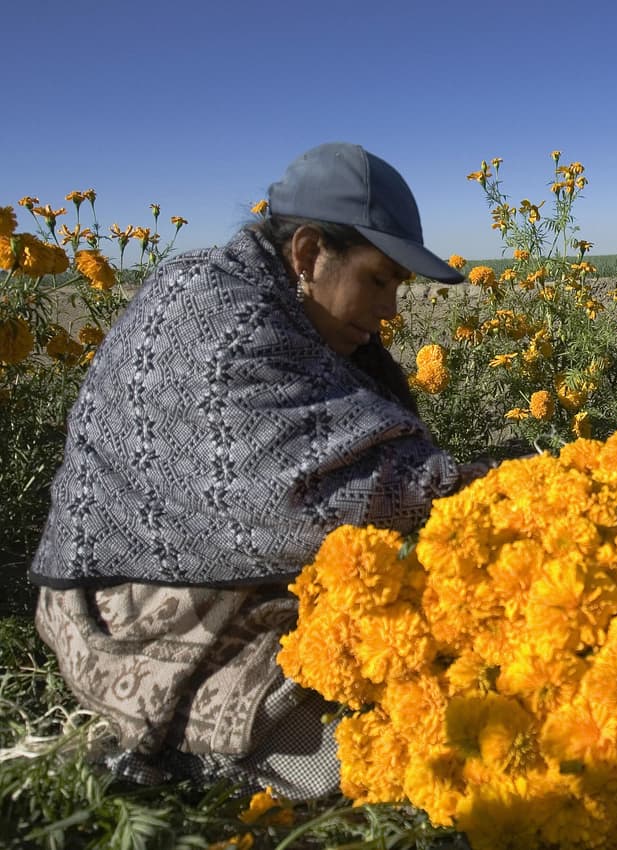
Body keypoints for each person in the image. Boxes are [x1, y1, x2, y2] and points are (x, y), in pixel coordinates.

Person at [28, 142, 484, 798]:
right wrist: (487, 488)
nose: (390, 309)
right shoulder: (216, 311)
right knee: (390, 745)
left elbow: (345, 454)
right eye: (379, 279)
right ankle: (188, 752)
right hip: (126, 609)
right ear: (308, 253)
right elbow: (296, 497)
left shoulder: (281, 311)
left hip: (205, 576)